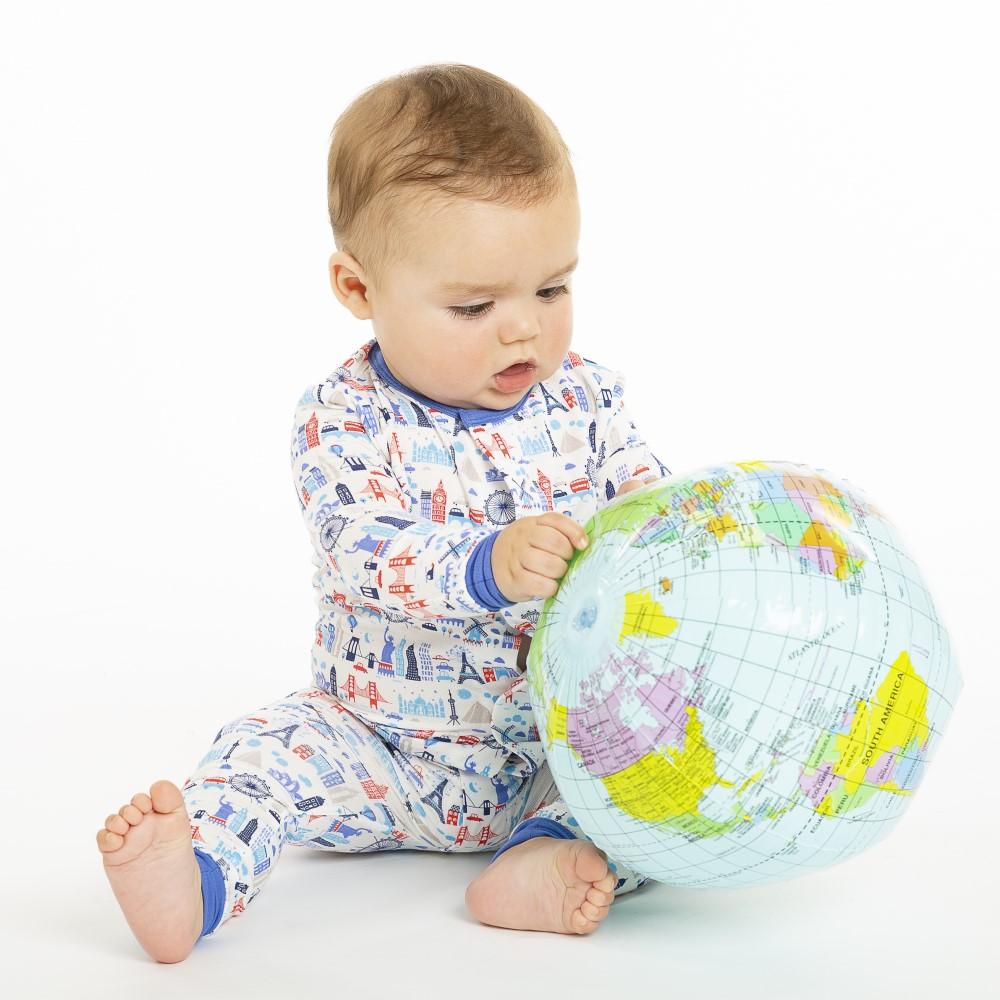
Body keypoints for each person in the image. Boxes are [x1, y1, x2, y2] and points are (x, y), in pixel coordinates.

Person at [96, 62, 669, 964]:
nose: (524, 327)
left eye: (552, 290)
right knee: (262, 749)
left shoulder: (588, 399)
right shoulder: (344, 420)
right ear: (359, 290)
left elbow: (648, 500)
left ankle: (539, 857)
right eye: (474, 305)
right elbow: (361, 546)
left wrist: (682, 537)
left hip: (554, 741)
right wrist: (487, 563)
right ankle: (197, 875)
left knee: (663, 776)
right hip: (378, 745)